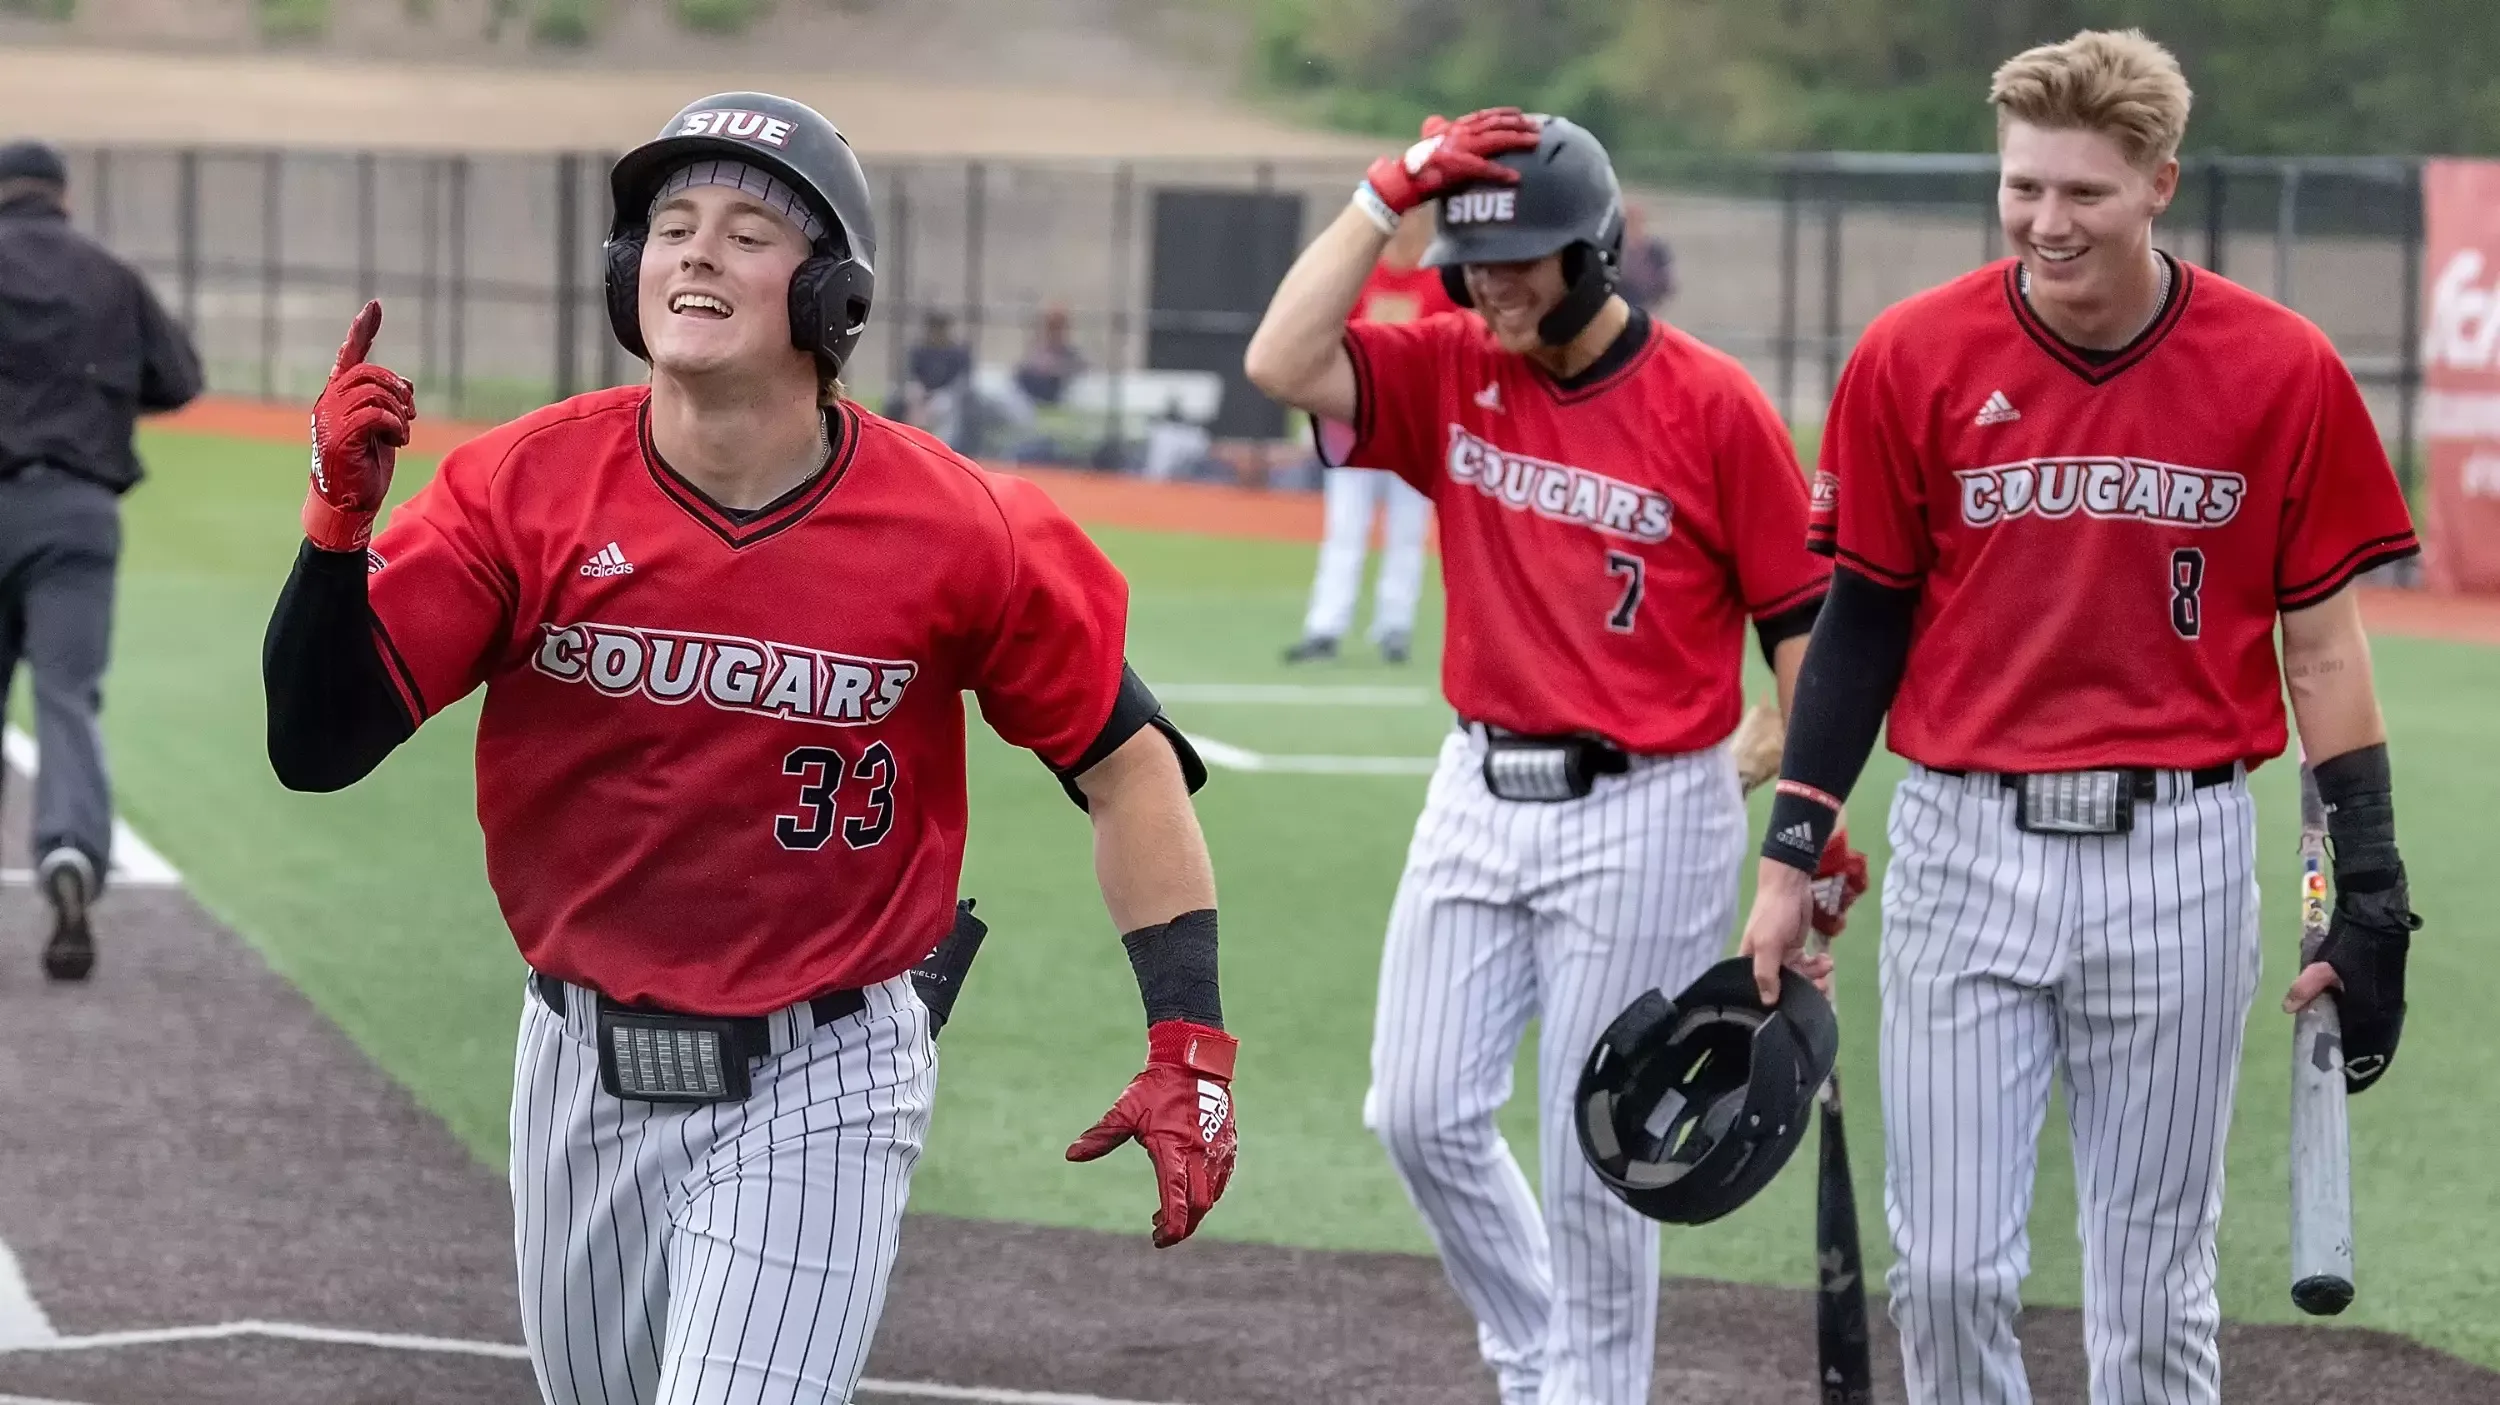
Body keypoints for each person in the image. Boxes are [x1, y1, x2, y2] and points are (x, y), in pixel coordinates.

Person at [260, 92, 1239, 1405]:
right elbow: (316, 746)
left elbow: (1130, 767)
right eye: (670, 226)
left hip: (825, 1064)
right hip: (580, 1062)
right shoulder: (521, 490)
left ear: (834, 295)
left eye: (748, 230)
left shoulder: (962, 528)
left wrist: (1191, 1041)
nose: (697, 252)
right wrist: (335, 527)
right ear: (628, 274)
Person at [1738, 31, 2424, 1405]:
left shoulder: (2279, 368)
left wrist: (2373, 884)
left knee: (2154, 1289)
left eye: (2085, 194)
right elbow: (1862, 619)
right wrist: (1788, 855)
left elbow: (2326, 650)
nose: (2047, 222)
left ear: (2160, 182)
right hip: (1962, 843)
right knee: (1946, 1275)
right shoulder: (1910, 357)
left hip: (2176, 856)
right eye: (2023, 187)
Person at [1245, 109, 1861, 1405]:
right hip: (1475, 786)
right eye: (1474, 255)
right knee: (1414, 1110)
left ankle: (1582, 1387)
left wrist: (1799, 841)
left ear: (1600, 250)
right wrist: (1383, 193)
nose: (1494, 280)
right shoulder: (1450, 365)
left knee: (1602, 1156)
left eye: (1525, 255)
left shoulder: (1712, 405)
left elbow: (1807, 634)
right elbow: (1281, 358)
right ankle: (1543, 1356)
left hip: (1647, 809)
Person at [0, 137, 202, 982]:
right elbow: (180, 377)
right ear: (64, 198)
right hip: (77, 513)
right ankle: (71, 852)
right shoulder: (109, 276)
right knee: (67, 699)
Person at [1280, 207, 1450, 666]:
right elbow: (1334, 341)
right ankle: (1325, 627)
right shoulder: (1364, 278)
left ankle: (1394, 627)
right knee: (1345, 530)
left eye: (1417, 215)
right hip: (1356, 426)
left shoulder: (1438, 281)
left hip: (1415, 425)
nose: (1408, 224)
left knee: (1407, 532)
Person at [1013, 302, 1085, 408]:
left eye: (1058, 327)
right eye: (1051, 327)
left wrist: (1057, 367)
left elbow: (1079, 370)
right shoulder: (1036, 353)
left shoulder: (1071, 355)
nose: (1054, 332)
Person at [1614, 204, 1675, 313]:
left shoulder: (1657, 250)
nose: (1633, 227)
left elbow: (1667, 285)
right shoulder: (1615, 249)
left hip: (1646, 307)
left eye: (1636, 222)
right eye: (1629, 222)